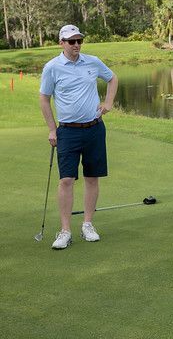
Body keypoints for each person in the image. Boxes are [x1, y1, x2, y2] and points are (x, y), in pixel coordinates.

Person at [39, 24, 118, 250]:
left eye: (79, 41)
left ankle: (87, 225)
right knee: (66, 180)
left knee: (92, 177)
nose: (76, 45)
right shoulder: (52, 67)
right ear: (61, 43)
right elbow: (44, 98)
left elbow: (112, 78)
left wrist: (108, 103)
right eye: (71, 41)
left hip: (94, 128)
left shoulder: (92, 62)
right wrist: (52, 129)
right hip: (67, 131)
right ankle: (65, 231)